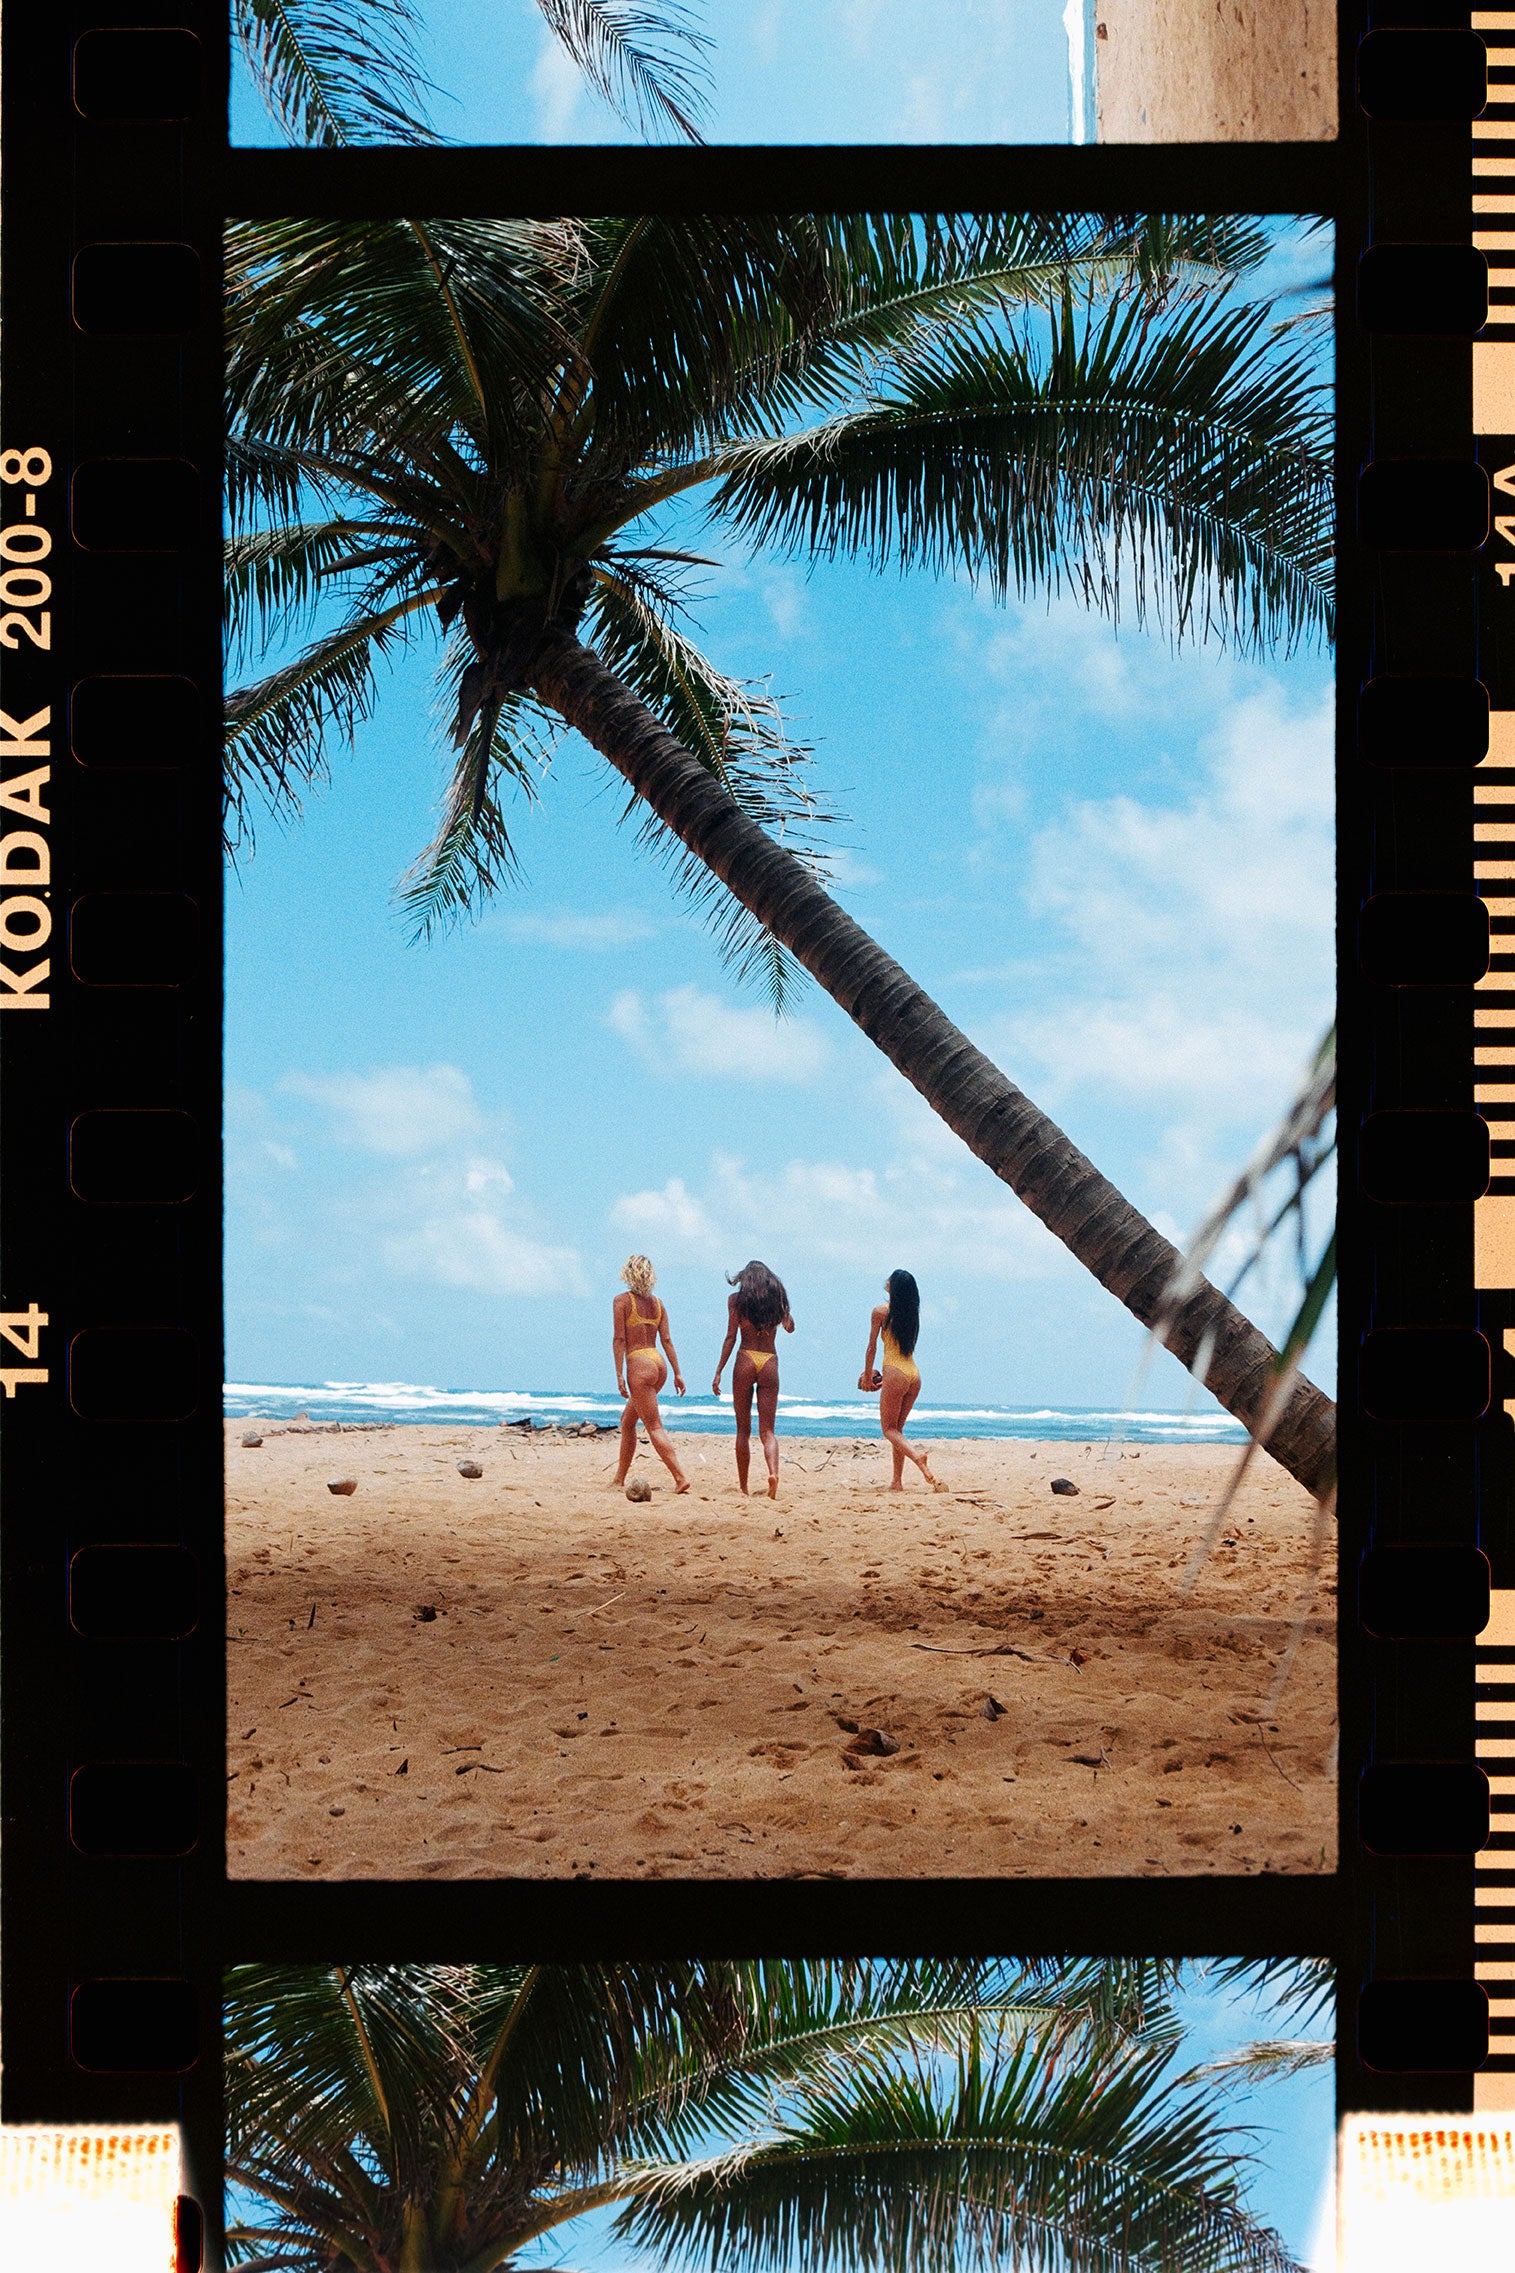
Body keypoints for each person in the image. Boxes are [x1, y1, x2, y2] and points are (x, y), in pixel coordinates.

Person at [712, 1259, 794, 1499]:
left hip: (745, 1358)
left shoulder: (736, 1301)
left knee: (742, 1430)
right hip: (769, 1360)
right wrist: (782, 1310)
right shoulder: (776, 1300)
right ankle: (773, 1473)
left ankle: (744, 1487)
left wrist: (719, 1370)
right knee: (767, 1431)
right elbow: (790, 1327)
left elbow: (730, 1337)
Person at [860, 1268, 945, 1492]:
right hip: (913, 1374)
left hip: (895, 1371)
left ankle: (919, 1458)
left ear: (894, 1287)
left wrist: (868, 1375)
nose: (886, 1280)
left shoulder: (880, 1312)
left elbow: (872, 1348)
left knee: (888, 1430)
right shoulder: (911, 1313)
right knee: (897, 1431)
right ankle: (896, 1482)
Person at [612, 1255, 689, 1494]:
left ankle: (680, 1477)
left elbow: (619, 1340)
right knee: (627, 1422)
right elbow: (666, 1340)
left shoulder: (622, 1301)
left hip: (639, 1364)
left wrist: (619, 1375)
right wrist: (677, 1373)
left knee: (654, 1426)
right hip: (659, 1363)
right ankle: (619, 1478)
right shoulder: (658, 1304)